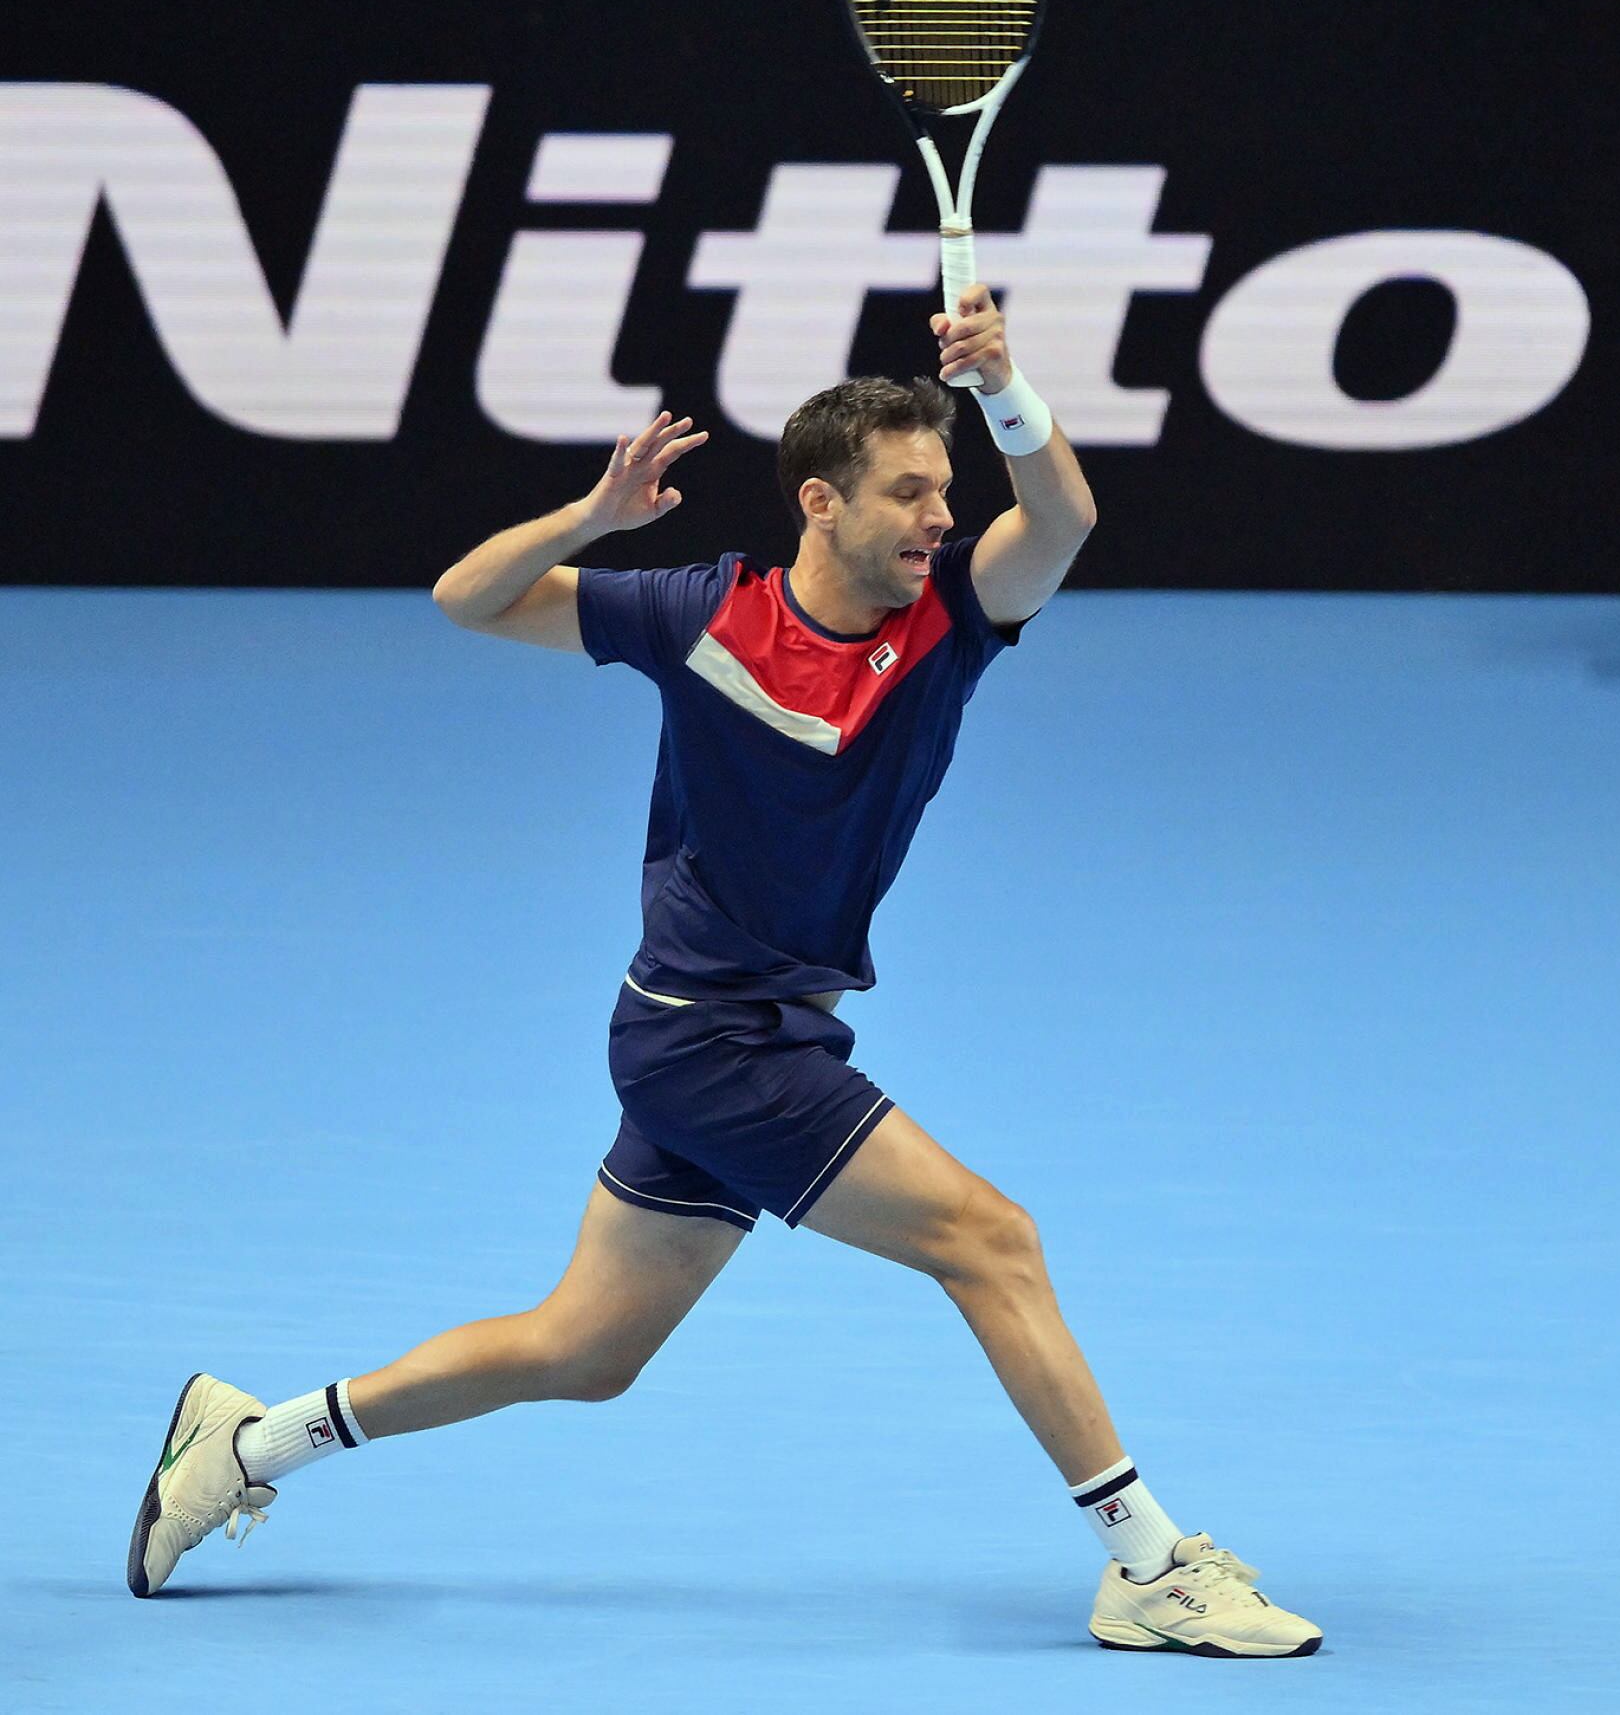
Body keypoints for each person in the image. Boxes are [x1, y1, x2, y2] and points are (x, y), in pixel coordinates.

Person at [125, 290, 1324, 1660]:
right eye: (911, 490)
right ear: (821, 499)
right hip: (714, 1042)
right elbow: (469, 598)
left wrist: (1005, 388)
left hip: (738, 1032)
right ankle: (1149, 1562)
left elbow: (1060, 522)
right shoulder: (700, 612)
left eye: (948, 486)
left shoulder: (949, 619)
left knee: (583, 1349)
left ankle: (250, 1435)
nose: (941, 514)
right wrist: (591, 518)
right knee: (992, 1239)